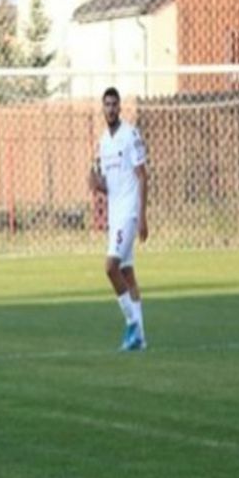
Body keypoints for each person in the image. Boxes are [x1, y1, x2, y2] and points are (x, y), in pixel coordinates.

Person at [88, 86, 149, 351]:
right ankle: (141, 338)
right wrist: (96, 184)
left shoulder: (130, 135)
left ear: (120, 108)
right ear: (102, 109)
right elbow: (110, 183)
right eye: (106, 105)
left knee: (110, 267)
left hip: (129, 213)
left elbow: (142, 175)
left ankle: (132, 324)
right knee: (127, 273)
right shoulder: (104, 141)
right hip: (115, 215)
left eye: (114, 105)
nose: (110, 109)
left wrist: (143, 215)